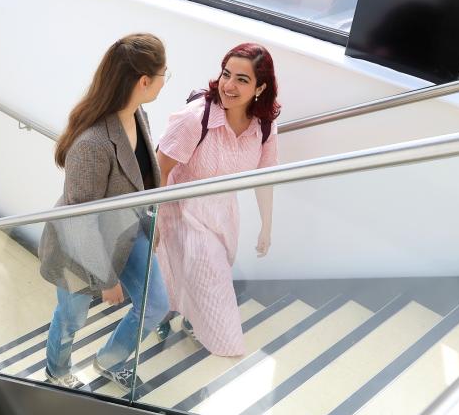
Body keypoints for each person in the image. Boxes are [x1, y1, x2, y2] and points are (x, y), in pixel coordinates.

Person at [38, 32, 171, 390]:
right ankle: (56, 370)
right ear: (144, 81)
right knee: (72, 319)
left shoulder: (138, 115)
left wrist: (152, 225)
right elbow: (80, 222)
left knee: (156, 305)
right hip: (80, 251)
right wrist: (107, 279)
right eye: (163, 74)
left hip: (127, 231)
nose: (164, 81)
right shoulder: (92, 144)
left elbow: (141, 181)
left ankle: (109, 360)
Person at [155, 42, 280, 356]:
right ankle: (224, 346)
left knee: (197, 274)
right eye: (226, 74)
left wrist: (266, 226)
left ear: (260, 88)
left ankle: (180, 317)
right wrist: (155, 218)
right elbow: (160, 167)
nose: (229, 85)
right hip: (180, 209)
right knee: (203, 278)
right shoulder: (195, 118)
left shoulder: (264, 127)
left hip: (223, 214)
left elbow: (264, 178)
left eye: (242, 79)